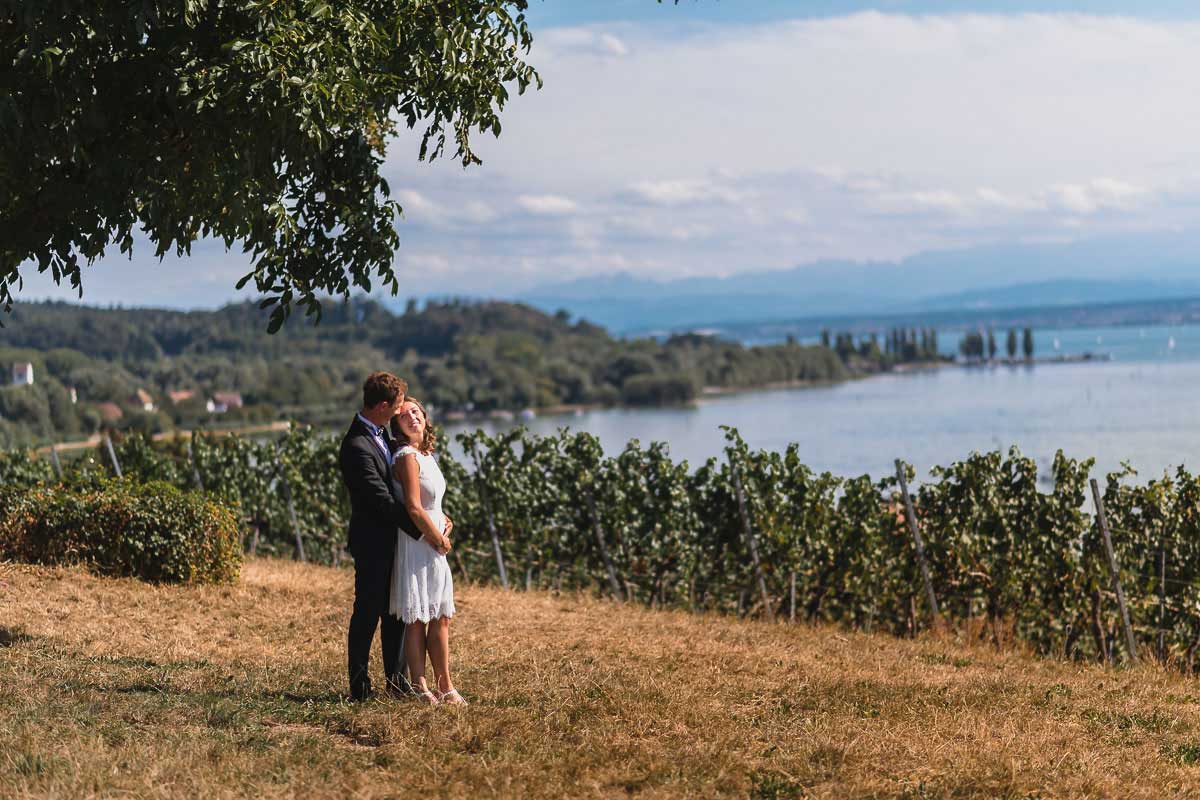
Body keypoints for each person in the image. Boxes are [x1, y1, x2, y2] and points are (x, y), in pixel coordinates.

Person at [339, 372, 448, 701]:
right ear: (384, 406)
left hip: (398, 543)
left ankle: (398, 682)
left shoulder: (382, 434)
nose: (403, 411)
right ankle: (359, 688)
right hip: (374, 544)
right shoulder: (357, 445)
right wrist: (425, 529)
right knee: (367, 615)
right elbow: (383, 501)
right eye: (399, 405)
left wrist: (437, 516)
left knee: (397, 616)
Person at [390, 398, 464, 705]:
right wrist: (437, 538)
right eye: (404, 415)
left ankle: (445, 683)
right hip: (419, 542)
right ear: (397, 426)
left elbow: (432, 503)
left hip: (434, 540)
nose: (412, 417)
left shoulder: (426, 454)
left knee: (440, 616)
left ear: (425, 417)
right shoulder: (407, 455)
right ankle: (421, 685)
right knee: (418, 617)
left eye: (415, 412)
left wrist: (445, 520)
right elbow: (413, 506)